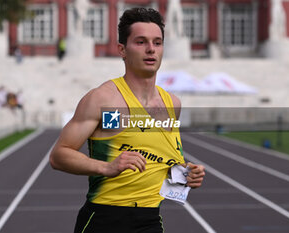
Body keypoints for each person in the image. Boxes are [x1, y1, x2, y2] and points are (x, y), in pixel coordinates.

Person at [50, 8, 205, 233]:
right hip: (103, 219)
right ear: (122, 49)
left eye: (157, 42)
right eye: (141, 42)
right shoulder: (103, 98)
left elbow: (164, 167)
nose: (151, 49)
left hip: (149, 220)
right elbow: (58, 156)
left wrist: (187, 174)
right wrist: (107, 167)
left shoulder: (172, 104)